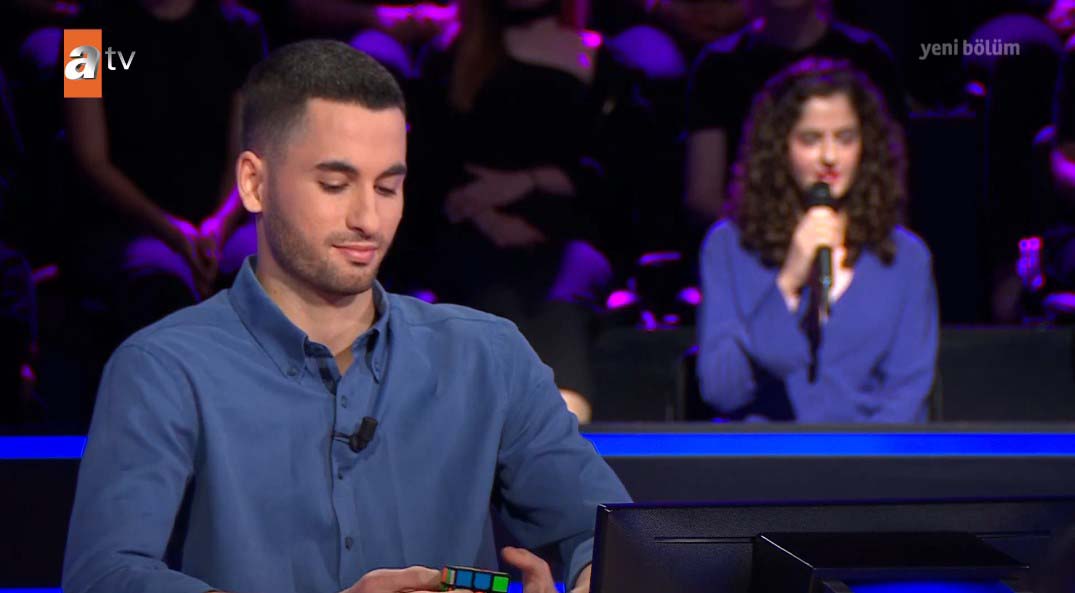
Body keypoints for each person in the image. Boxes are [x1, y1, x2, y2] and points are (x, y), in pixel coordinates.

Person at [62, 40, 630, 593]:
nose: (368, 219)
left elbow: (615, 539)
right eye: (335, 185)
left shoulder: (488, 356)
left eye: (388, 187)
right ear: (255, 184)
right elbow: (105, 575)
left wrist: (591, 580)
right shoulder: (163, 368)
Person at [417, 0, 654, 422]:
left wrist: (530, 181)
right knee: (493, 292)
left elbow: (618, 175)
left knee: (565, 290)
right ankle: (504, 432)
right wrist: (489, 219)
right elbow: (431, 167)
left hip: (569, 232)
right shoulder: (450, 56)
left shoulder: (603, 60)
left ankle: (561, 424)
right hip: (472, 230)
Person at [696, 57, 938, 423]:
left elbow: (907, 396)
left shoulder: (905, 257)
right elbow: (722, 390)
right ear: (780, 146)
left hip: (869, 455)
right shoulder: (729, 247)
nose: (829, 157)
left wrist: (858, 456)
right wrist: (788, 282)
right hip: (763, 453)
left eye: (845, 138)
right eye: (810, 140)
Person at [64, 0, 266, 334]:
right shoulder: (84, 35)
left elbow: (247, 151)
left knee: (269, 276)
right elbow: (90, 161)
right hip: (129, 225)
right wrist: (172, 231)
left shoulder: (241, 27)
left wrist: (218, 227)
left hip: (221, 224)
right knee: (162, 290)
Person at [684, 0, 905, 229]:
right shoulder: (719, 65)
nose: (828, 156)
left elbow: (893, 183)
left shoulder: (867, 57)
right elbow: (703, 196)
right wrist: (777, 241)